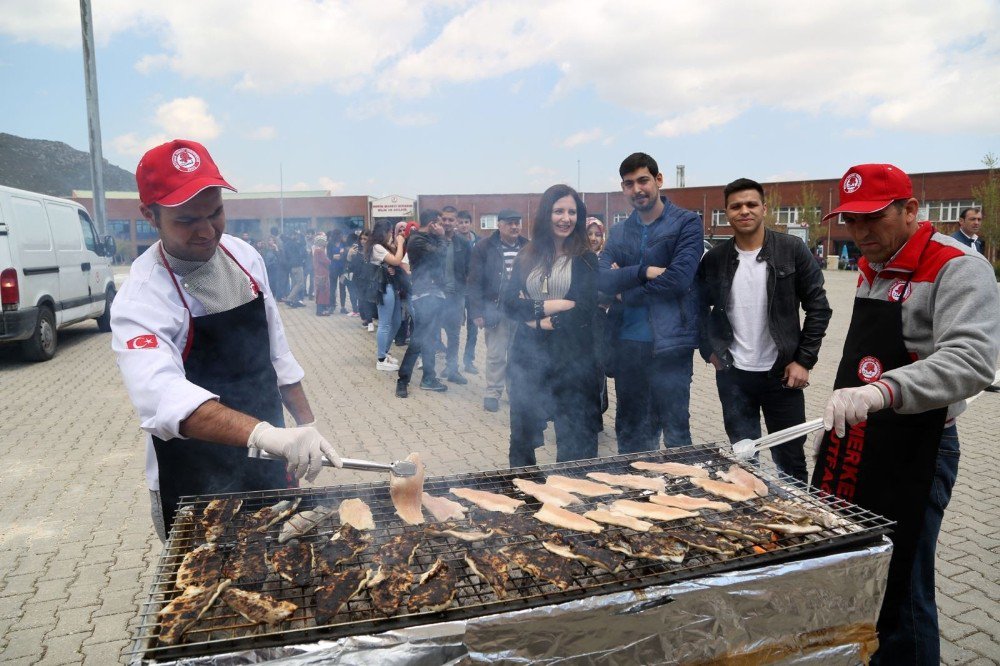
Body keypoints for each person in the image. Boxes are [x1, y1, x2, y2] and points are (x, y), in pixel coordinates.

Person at [812, 163, 1000, 665]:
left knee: (905, 585)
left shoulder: (959, 267)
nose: (859, 233)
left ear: (911, 209)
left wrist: (881, 392)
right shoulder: (872, 262)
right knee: (864, 571)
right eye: (850, 220)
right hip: (862, 440)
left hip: (921, 446)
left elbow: (971, 361)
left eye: (873, 218)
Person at [110, 139, 342, 540]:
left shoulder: (245, 258)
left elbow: (278, 356)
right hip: (195, 477)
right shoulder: (141, 297)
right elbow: (162, 396)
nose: (206, 230)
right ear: (150, 215)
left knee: (284, 576)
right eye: (186, 220)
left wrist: (307, 427)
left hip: (271, 460)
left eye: (215, 212)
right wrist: (266, 434)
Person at [697, 178, 832, 483]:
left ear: (764, 208)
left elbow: (819, 307)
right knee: (743, 459)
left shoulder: (791, 249)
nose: (744, 211)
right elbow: (696, 308)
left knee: (791, 461)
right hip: (733, 376)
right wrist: (709, 351)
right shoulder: (715, 259)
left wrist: (804, 361)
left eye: (751, 204)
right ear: (727, 212)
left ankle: (799, 527)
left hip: (782, 376)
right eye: (736, 206)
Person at [598, 152, 702, 452]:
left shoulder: (686, 224)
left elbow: (678, 281)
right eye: (629, 184)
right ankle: (632, 495)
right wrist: (643, 272)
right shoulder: (619, 231)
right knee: (630, 435)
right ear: (623, 188)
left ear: (658, 180)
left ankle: (679, 496)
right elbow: (602, 279)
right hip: (627, 347)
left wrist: (625, 289)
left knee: (675, 435)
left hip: (670, 347)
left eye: (643, 180)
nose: (637, 189)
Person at [502, 185, 600, 467]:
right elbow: (509, 303)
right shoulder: (526, 255)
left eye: (571, 212)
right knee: (522, 434)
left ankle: (572, 497)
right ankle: (522, 491)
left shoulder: (585, 257)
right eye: (559, 211)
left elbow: (584, 309)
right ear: (546, 214)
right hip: (528, 357)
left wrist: (536, 320)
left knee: (575, 437)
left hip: (573, 358)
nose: (565, 218)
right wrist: (554, 306)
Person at [467, 209, 529, 412]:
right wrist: (476, 311)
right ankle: (493, 392)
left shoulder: (528, 247)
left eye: (517, 223)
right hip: (495, 309)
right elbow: (474, 282)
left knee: (517, 354)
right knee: (496, 353)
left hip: (521, 310)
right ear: (499, 225)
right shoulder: (484, 247)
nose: (514, 227)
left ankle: (515, 392)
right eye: (510, 223)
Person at [396, 209, 449, 397]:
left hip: (435, 294)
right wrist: (443, 237)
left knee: (430, 340)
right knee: (418, 340)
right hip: (424, 295)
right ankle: (402, 381)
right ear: (433, 223)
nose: (443, 227)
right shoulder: (417, 240)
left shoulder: (430, 239)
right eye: (441, 223)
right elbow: (440, 255)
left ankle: (428, 378)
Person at [439, 205, 472, 385]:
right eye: (444, 219)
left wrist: (465, 297)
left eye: (451, 220)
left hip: (456, 296)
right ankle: (428, 368)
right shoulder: (433, 240)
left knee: (454, 334)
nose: (447, 223)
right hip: (436, 295)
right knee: (432, 332)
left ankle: (452, 369)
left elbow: (470, 271)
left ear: (456, 222)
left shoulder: (464, 244)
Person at [367, 219, 406, 371]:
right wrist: (401, 243)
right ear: (384, 232)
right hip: (384, 287)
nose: (392, 235)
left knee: (396, 321)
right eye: (390, 232)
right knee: (384, 323)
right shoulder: (376, 247)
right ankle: (381, 359)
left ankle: (385, 351)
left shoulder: (382, 246)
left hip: (391, 286)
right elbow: (396, 260)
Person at [457, 210, 480, 373]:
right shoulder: (453, 241)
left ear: (470, 223)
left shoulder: (479, 242)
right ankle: (452, 363)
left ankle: (469, 361)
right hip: (458, 291)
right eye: (461, 222)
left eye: (466, 222)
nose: (463, 225)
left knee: (473, 328)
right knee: (455, 327)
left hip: (474, 292)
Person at [326, 230, 348, 314]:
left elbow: (346, 254)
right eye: (339, 235)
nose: (340, 236)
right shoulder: (330, 244)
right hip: (333, 268)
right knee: (332, 288)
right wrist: (333, 256)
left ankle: (343, 307)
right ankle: (332, 306)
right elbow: (328, 255)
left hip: (342, 269)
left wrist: (342, 255)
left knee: (343, 288)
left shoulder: (344, 244)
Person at [311, 232, 331, 316]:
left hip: (317, 273)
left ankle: (319, 310)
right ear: (321, 242)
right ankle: (321, 311)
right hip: (322, 273)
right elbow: (326, 261)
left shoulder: (315, 250)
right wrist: (330, 261)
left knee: (319, 292)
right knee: (323, 292)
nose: (326, 243)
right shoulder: (320, 251)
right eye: (324, 241)